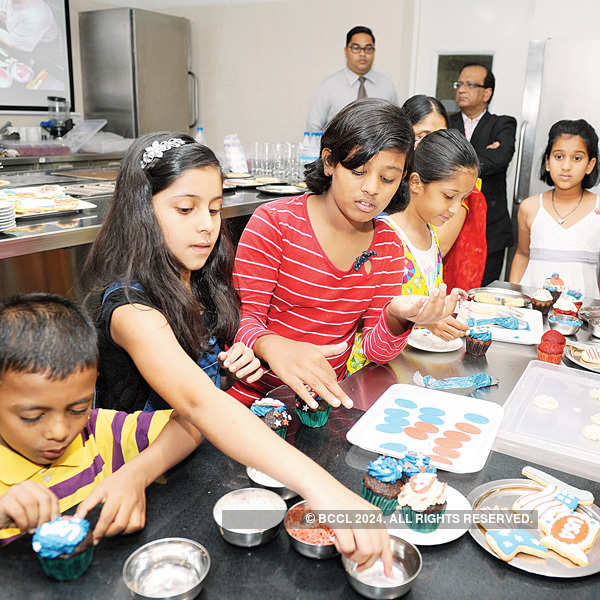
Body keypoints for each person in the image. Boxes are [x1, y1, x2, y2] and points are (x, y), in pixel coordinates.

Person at [83, 131, 395, 572]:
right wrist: (327, 490)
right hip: (120, 475)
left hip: (174, 465)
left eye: (214, 208)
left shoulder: (203, 282)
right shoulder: (132, 311)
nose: (207, 225)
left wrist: (238, 366)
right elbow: (198, 403)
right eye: (185, 209)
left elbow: (192, 415)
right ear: (141, 212)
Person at [230, 99, 461, 406]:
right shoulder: (275, 223)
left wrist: (396, 317)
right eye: (358, 171)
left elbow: (377, 352)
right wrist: (272, 346)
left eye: (388, 178)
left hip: (328, 403)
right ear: (329, 162)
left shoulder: (388, 246)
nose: (371, 188)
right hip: (256, 399)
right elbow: (241, 324)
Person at [0, 293, 202, 545]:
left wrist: (136, 474)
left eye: (77, 409)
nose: (60, 431)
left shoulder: (98, 432)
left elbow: (194, 421)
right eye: (33, 416)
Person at [402, 94, 487, 291]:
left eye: (440, 136)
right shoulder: (388, 181)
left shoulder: (457, 188)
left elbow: (435, 250)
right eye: (423, 136)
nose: (434, 146)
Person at [509, 119, 600, 297]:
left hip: (582, 310)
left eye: (577, 158)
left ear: (590, 165)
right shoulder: (530, 207)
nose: (566, 166)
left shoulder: (598, 210)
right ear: (548, 162)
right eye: (559, 156)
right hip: (532, 306)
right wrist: (514, 297)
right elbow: (522, 254)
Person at [448, 63, 517, 285]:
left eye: (470, 84)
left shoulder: (502, 124)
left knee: (483, 298)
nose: (461, 89)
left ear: (487, 93)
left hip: (490, 231)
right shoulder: (447, 123)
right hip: (447, 224)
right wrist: (483, 153)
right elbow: (436, 161)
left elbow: (500, 158)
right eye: (459, 84)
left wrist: (454, 160)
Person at [306, 26, 398, 133]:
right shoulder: (329, 86)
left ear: (374, 51)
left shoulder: (386, 86)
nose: (362, 53)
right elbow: (313, 126)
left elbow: (396, 125)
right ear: (346, 50)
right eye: (356, 48)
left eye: (368, 48)